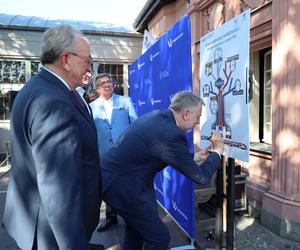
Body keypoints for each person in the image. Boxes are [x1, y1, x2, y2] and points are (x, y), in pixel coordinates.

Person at [2, 24, 103, 250]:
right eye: (87, 60)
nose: (90, 66)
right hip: (50, 233)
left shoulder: (37, 89)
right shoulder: (55, 103)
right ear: (66, 59)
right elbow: (58, 190)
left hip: (34, 222)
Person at [101, 91, 224, 250]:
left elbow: (160, 151)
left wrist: (193, 157)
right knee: (159, 238)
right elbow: (201, 177)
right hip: (122, 187)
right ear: (186, 114)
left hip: (120, 179)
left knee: (136, 230)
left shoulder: (159, 117)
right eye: (198, 116)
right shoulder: (170, 135)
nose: (198, 122)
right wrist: (217, 152)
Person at [90, 73, 137, 232]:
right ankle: (111, 218)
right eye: (103, 83)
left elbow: (135, 126)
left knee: (128, 185)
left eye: (109, 81)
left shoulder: (126, 101)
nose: (107, 85)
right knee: (108, 187)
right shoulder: (91, 107)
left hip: (125, 154)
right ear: (97, 88)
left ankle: (132, 219)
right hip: (104, 155)